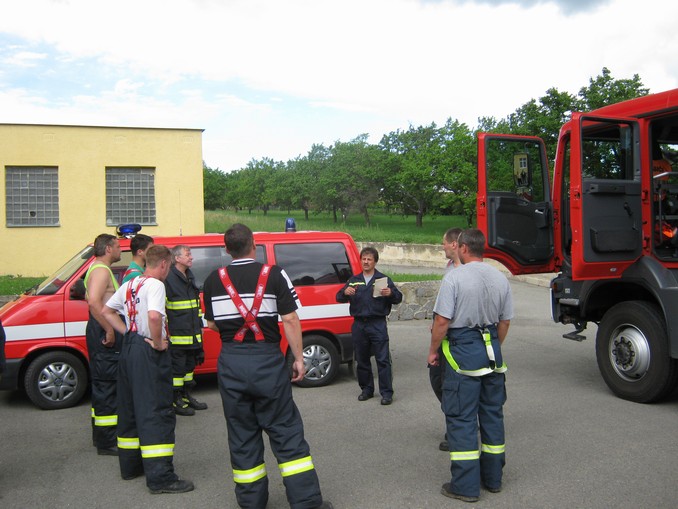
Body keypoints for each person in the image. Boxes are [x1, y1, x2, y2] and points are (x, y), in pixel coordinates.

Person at [203, 223, 332, 509]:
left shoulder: (213, 279)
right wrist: (298, 359)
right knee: (286, 431)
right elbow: (289, 319)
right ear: (253, 245)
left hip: (231, 363)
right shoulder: (274, 275)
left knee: (241, 434)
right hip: (267, 361)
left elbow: (211, 323)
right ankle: (306, 502)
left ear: (226, 250)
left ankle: (251, 503)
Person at [428, 228, 513, 502]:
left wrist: (432, 351)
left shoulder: (455, 277)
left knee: (462, 418)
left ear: (463, 248)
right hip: (491, 353)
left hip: (463, 352)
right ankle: (493, 479)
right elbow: (504, 322)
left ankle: (465, 486)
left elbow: (442, 322)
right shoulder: (500, 278)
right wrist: (492, 347)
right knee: (491, 415)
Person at [102, 245, 194, 495]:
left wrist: (128, 333)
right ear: (164, 264)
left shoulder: (131, 283)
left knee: (130, 408)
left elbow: (106, 311)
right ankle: (161, 477)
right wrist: (156, 341)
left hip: (131, 349)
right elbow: (155, 317)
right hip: (148, 351)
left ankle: (130, 467)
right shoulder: (156, 285)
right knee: (156, 410)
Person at [336, 246, 402, 405]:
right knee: (362, 359)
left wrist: (390, 294)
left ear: (375, 262)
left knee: (382, 360)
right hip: (359, 325)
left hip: (377, 324)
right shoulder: (354, 280)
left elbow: (398, 297)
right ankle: (366, 389)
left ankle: (386, 393)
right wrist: (345, 293)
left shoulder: (383, 280)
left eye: (369, 259)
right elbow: (338, 296)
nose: (366, 262)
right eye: (363, 259)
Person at [84, 233, 123, 456]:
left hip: (101, 328)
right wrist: (109, 329)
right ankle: (107, 441)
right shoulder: (101, 270)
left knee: (105, 383)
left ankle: (102, 436)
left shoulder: (100, 268)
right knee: (107, 385)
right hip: (102, 330)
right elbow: (94, 303)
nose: (120, 250)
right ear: (108, 249)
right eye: (118, 247)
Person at [429, 227, 463, 452]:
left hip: (456, 336)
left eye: (444, 242)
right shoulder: (449, 267)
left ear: (454, 244)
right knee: (437, 381)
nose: (442, 246)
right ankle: (459, 421)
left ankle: (457, 430)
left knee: (450, 386)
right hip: (442, 332)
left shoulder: (469, 270)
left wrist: (434, 346)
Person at [165, 244, 207, 416]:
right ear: (177, 258)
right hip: (177, 335)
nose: (191, 257)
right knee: (178, 370)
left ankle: (186, 395)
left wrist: (200, 325)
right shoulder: (169, 278)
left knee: (190, 367)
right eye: (188, 254)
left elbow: (195, 305)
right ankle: (175, 400)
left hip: (192, 333)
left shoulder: (189, 275)